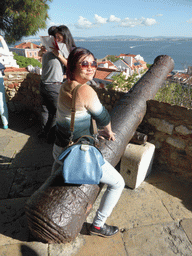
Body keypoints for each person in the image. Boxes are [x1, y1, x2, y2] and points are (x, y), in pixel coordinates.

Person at [52, 47, 125, 237]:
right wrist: (108, 132)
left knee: (56, 165)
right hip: (75, 155)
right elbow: (103, 117)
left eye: (94, 63)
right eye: (85, 63)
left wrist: (92, 133)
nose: (91, 67)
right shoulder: (85, 90)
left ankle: (52, 182)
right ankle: (98, 225)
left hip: (59, 149)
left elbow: (77, 119)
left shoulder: (65, 85)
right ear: (74, 67)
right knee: (118, 183)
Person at [38, 25, 76, 142]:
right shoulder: (54, 47)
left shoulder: (64, 47)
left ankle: (46, 134)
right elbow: (40, 56)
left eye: (58, 37)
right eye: (55, 37)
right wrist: (42, 51)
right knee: (52, 112)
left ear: (65, 36)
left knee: (50, 111)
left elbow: (70, 65)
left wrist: (58, 54)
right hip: (49, 84)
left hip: (49, 83)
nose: (56, 39)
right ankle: (48, 136)